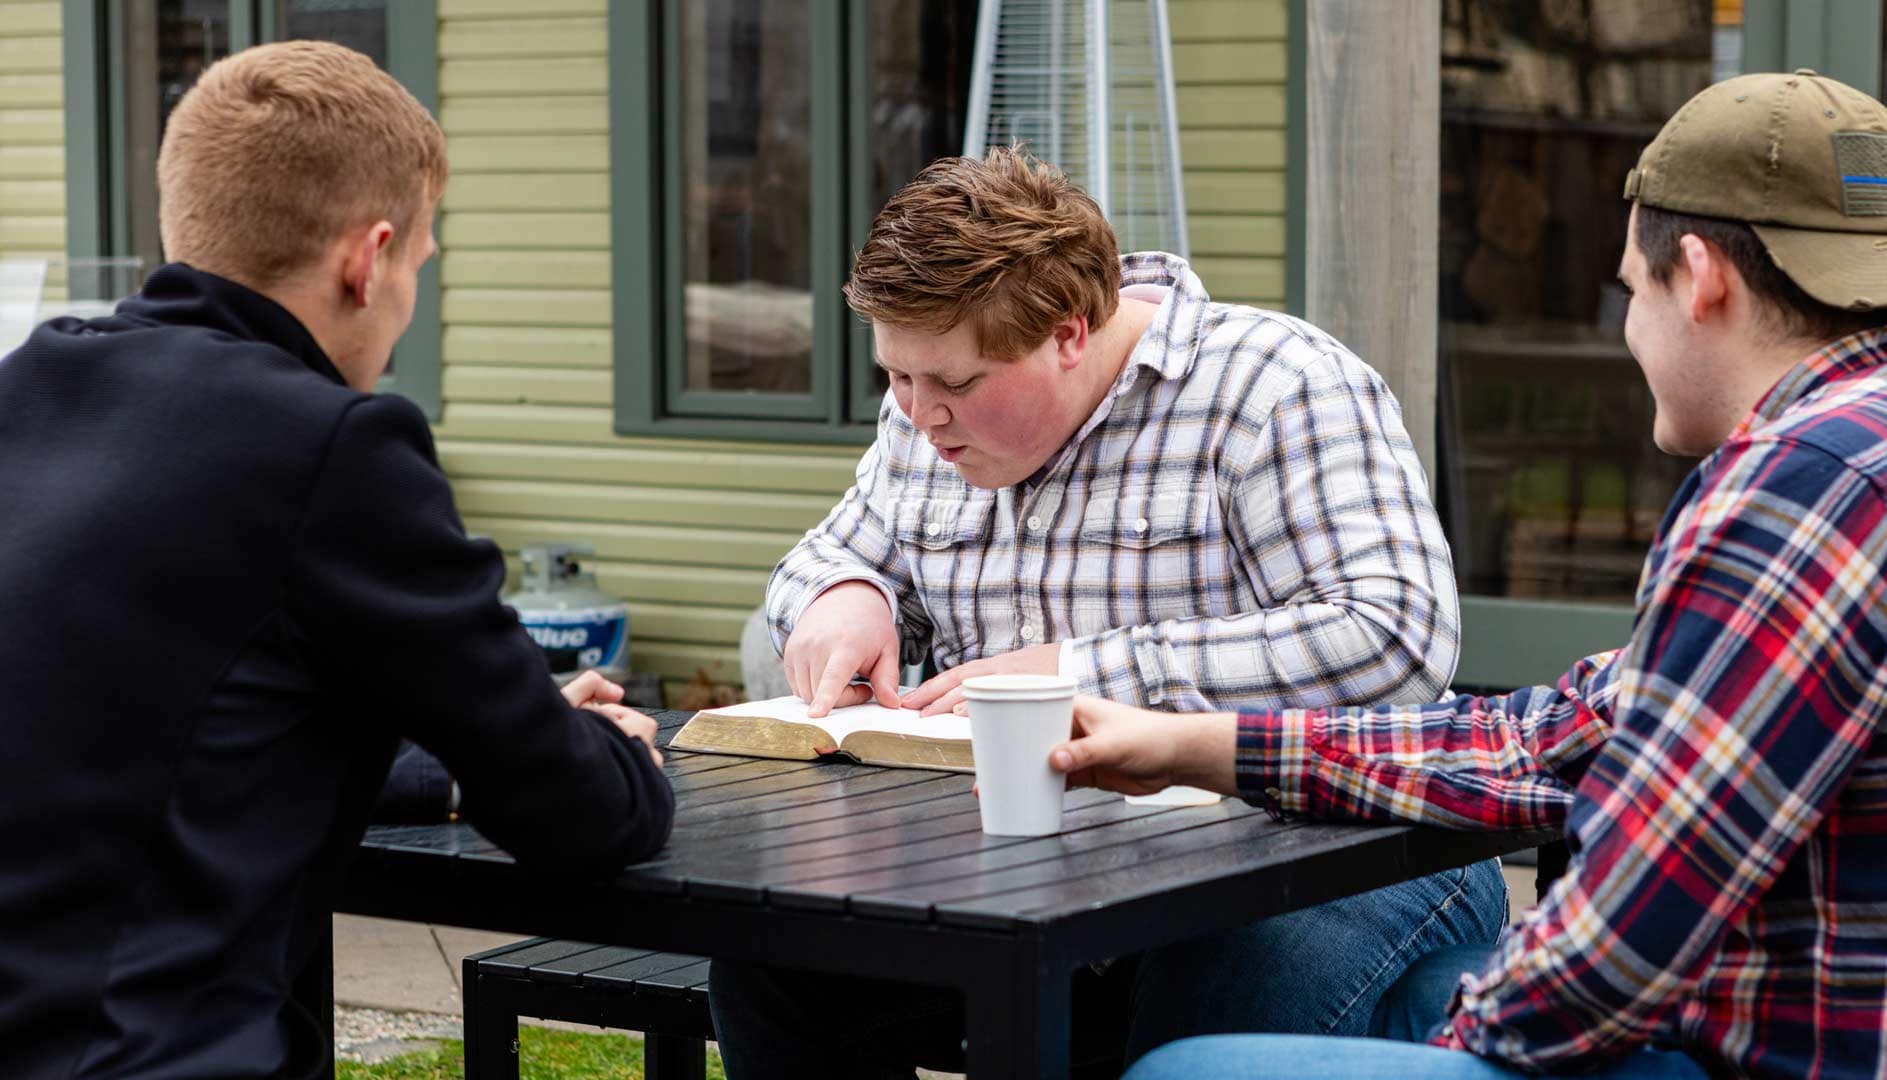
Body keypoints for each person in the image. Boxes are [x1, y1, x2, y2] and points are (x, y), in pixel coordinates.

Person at [1046, 71, 1887, 1080]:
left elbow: (1620, 934)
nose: (1630, 327)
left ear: (1700, 275)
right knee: (1431, 980)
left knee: (1184, 1073)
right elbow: (1558, 734)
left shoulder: (1795, 486)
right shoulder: (1877, 450)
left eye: (1629, 293)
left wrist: (1459, 1051)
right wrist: (1205, 744)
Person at [706, 147, 1508, 1077]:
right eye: (897, 377)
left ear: (1069, 333)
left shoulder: (1277, 387)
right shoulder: (927, 411)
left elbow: (1395, 632)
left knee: (1202, 1011)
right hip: (1052, 867)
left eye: (957, 385)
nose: (920, 416)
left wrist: (1078, 677)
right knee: (779, 961)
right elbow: (837, 552)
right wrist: (841, 596)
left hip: (1345, 849)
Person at [0, 42, 674, 1080]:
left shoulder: (27, 392)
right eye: (420, 265)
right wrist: (623, 751)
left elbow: (165, 716)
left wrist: (440, 772)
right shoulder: (334, 449)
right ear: (370, 259)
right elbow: (575, 816)